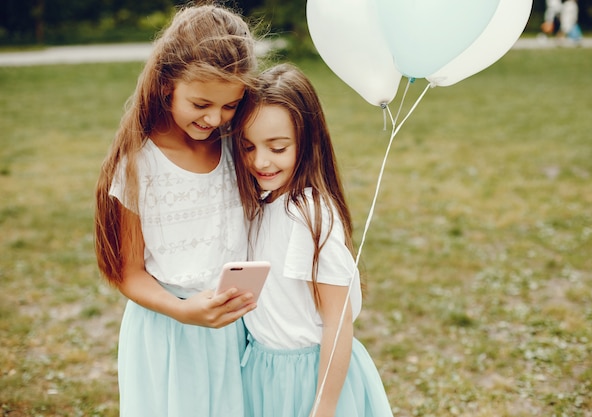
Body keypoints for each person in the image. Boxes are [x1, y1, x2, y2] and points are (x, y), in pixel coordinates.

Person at [93, 4, 258, 416]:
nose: (215, 118)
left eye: (229, 106)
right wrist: (185, 311)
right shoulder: (139, 163)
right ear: (168, 84)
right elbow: (129, 272)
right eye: (201, 103)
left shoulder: (237, 148)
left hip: (231, 328)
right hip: (168, 330)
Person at [231, 63, 394, 417]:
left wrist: (323, 408)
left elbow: (338, 320)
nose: (260, 161)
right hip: (262, 370)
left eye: (277, 148)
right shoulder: (261, 203)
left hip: (308, 378)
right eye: (247, 147)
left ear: (307, 142)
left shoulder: (310, 216)